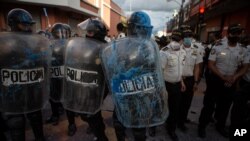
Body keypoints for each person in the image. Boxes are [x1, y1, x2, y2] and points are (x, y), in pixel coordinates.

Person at [101, 11, 168, 141]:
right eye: (144, 29)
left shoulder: (150, 48)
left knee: (139, 128)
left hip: (141, 96)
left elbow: (155, 74)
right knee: (120, 124)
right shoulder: (116, 46)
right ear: (137, 28)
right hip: (124, 94)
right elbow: (111, 71)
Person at [0, 8, 51, 141]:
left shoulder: (37, 42)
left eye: (29, 25)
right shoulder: (3, 43)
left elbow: (44, 64)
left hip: (31, 87)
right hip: (11, 89)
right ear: (13, 23)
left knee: (35, 115)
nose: (28, 28)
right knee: (15, 122)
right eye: (24, 24)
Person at [198, 24, 249, 138]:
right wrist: (222, 77)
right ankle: (202, 126)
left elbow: (245, 66)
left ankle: (220, 126)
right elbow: (211, 64)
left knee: (225, 106)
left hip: (231, 81)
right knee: (209, 105)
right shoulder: (218, 46)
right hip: (216, 79)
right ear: (228, 34)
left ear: (240, 34)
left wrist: (234, 77)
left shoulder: (242, 49)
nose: (234, 36)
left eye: (237, 33)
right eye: (232, 33)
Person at [63, 18, 109, 141]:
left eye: (90, 32)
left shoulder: (106, 48)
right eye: (87, 31)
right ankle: (99, 130)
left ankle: (102, 137)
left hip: (97, 87)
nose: (87, 34)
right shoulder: (83, 45)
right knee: (86, 115)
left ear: (97, 32)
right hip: (83, 84)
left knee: (92, 114)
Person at [160, 29, 186, 141]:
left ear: (182, 41)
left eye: (178, 40)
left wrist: (182, 82)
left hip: (177, 85)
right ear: (171, 39)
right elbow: (159, 72)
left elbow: (179, 69)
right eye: (174, 39)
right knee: (161, 107)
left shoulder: (183, 52)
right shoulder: (164, 52)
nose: (176, 42)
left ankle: (171, 129)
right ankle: (153, 127)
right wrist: (161, 88)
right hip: (166, 85)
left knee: (175, 109)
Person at [178, 28, 203, 132]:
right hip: (178, 79)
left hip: (190, 80)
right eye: (185, 36)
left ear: (192, 37)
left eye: (189, 36)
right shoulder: (177, 48)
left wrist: (196, 82)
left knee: (187, 103)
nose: (187, 38)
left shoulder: (197, 49)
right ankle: (173, 121)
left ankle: (182, 121)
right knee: (176, 102)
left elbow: (197, 67)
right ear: (182, 38)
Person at [230, 44, 250, 141]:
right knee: (238, 113)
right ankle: (236, 135)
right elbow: (241, 66)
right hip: (245, 84)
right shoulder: (247, 49)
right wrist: (237, 82)